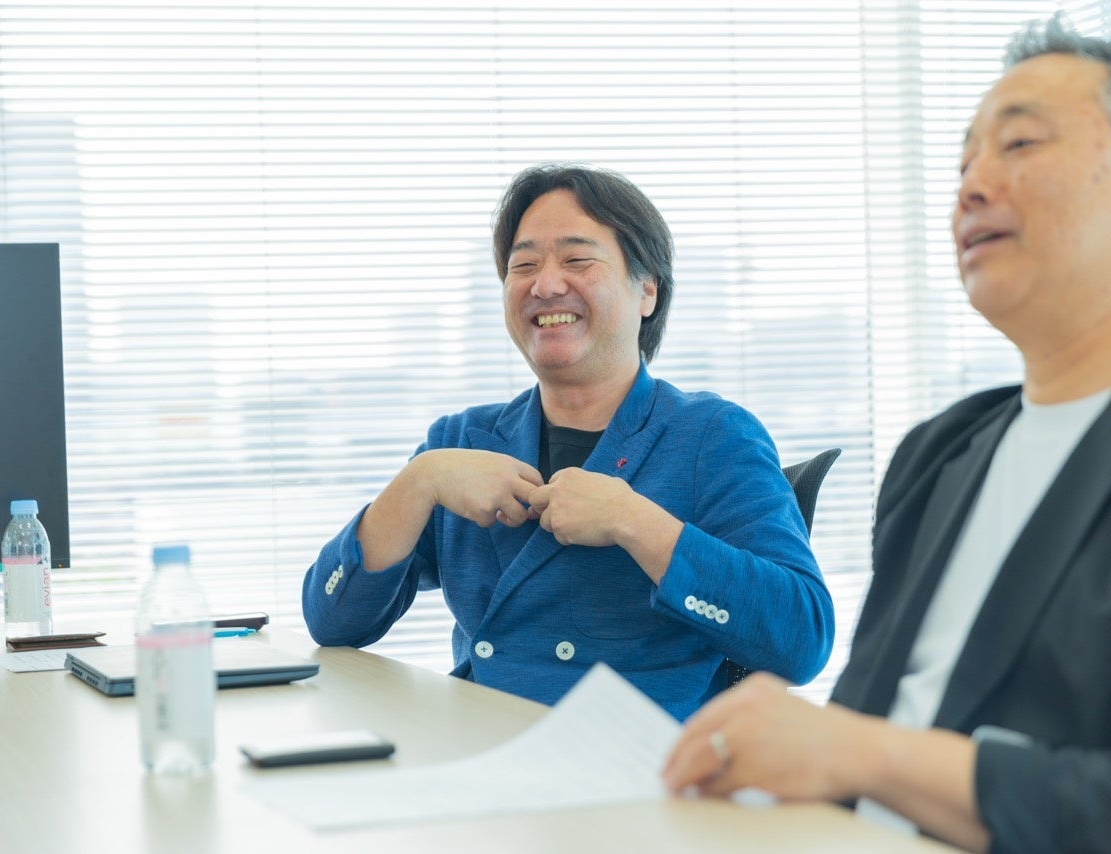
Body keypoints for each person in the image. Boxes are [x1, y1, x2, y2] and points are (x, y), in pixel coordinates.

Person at [663, 16, 1111, 853]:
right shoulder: (940, 453)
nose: (970, 188)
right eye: (962, 165)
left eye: (1019, 144)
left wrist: (858, 751)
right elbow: (870, 722)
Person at [303, 163, 835, 720]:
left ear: (647, 290)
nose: (545, 285)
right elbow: (332, 621)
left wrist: (634, 521)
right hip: (476, 745)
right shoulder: (460, 442)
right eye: (523, 265)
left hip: (637, 761)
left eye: (577, 260)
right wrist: (419, 481)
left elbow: (802, 641)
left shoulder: (713, 436)